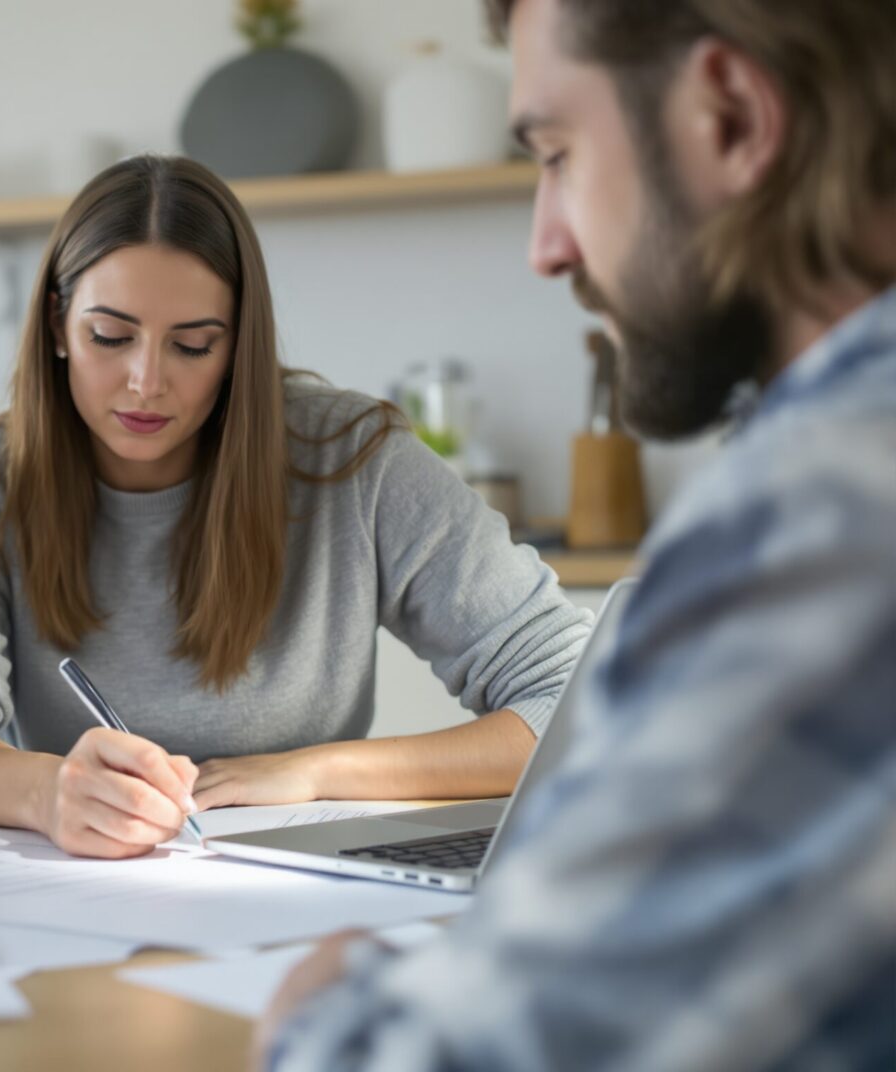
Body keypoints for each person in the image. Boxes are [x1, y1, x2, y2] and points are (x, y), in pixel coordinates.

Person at [260, 1, 896, 1067]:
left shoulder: (828, 495)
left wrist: (323, 1007)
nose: (546, 247)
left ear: (733, 116)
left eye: (557, 154)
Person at [0, 155, 592, 859]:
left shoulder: (355, 460)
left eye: (193, 345)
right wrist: (48, 792)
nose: (147, 382)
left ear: (236, 347)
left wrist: (318, 770)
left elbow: (581, 694)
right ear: (57, 325)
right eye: (111, 336)